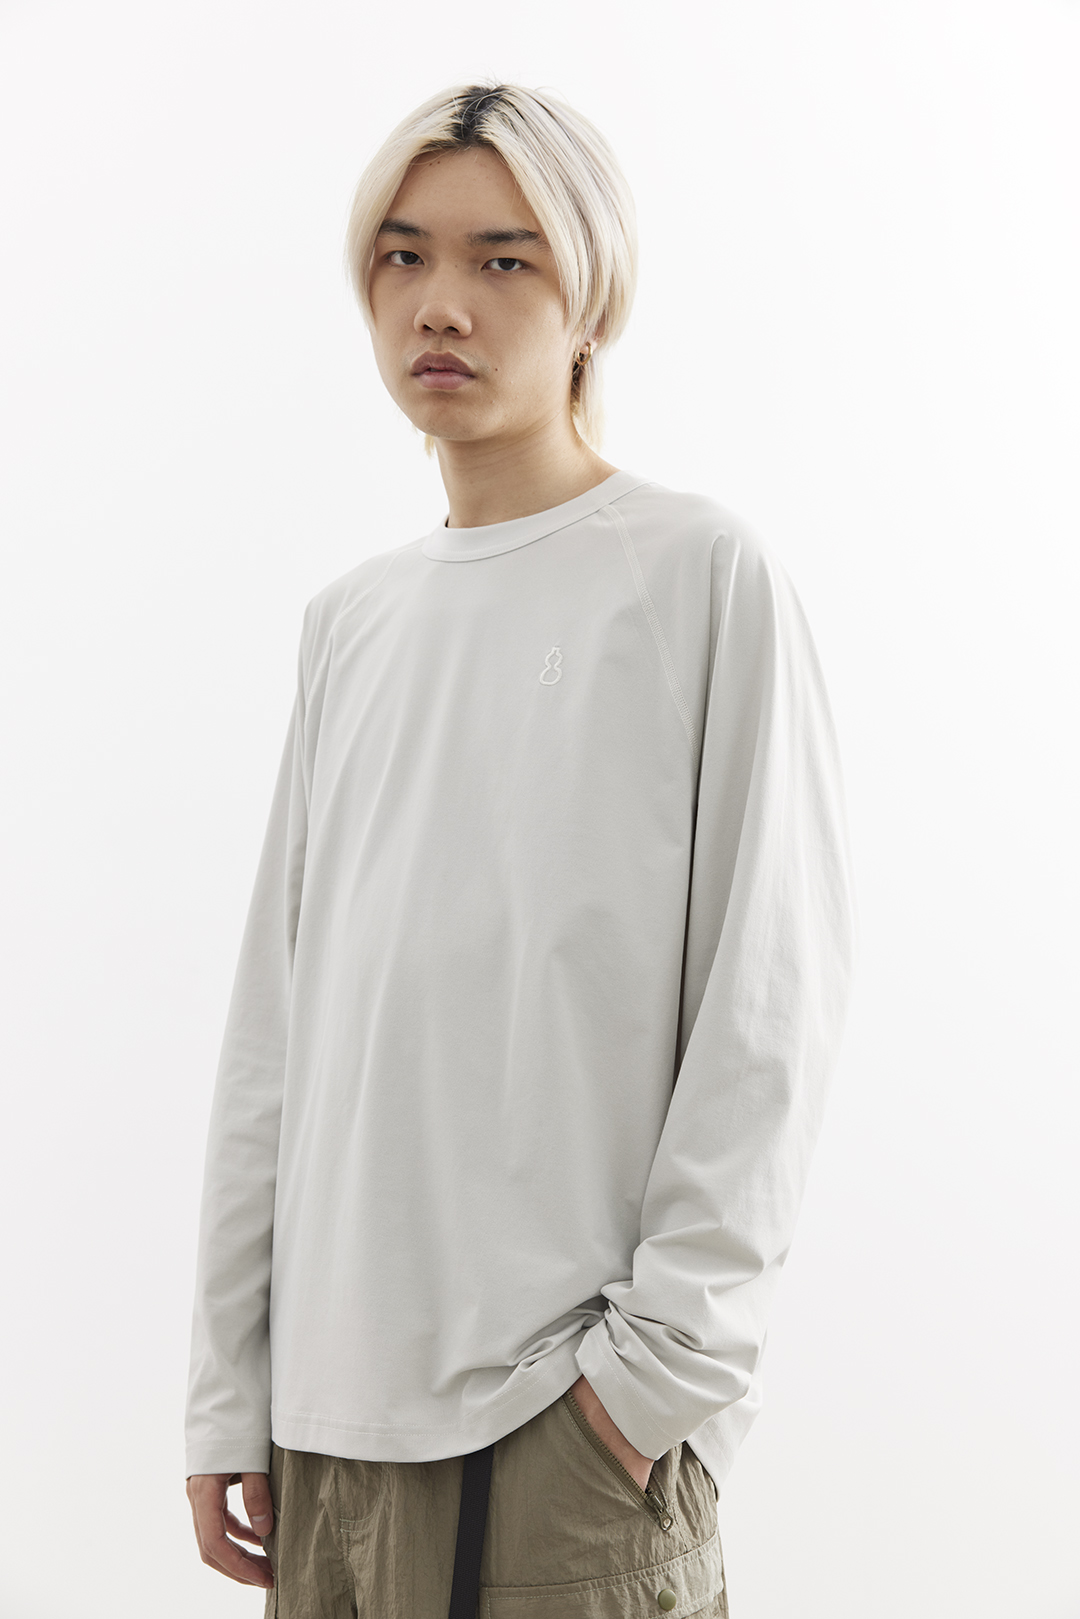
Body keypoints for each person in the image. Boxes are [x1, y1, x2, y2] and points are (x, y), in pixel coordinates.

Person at [184, 80, 856, 1619]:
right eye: (403, 256)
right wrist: (230, 1387)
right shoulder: (352, 624)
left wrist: (650, 1385)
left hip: (563, 1426)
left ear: (592, 296)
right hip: (329, 1440)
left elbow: (769, 1007)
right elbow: (275, 1037)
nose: (443, 304)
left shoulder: (697, 577)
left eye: (505, 260)